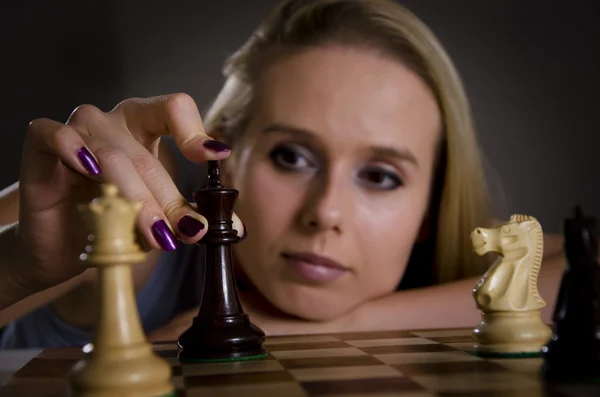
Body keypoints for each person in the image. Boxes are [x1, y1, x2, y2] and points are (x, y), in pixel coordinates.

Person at [0, 0, 566, 348]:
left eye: (382, 177)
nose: (325, 212)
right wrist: (25, 268)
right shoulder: (134, 218)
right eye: (291, 157)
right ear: (221, 155)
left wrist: (305, 331)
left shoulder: (431, 259)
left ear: (427, 211)